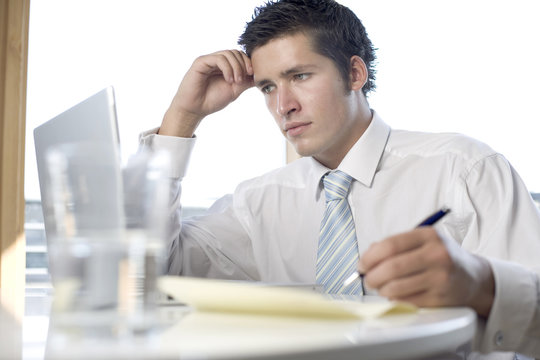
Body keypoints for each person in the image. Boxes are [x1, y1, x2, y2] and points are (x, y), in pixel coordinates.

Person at [140, 0, 540, 358]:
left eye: (299, 76)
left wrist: (481, 285)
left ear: (354, 73)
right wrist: (182, 118)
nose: (283, 105)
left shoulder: (464, 169)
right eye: (267, 87)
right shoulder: (257, 204)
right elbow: (148, 273)